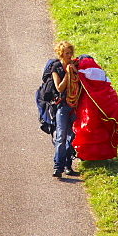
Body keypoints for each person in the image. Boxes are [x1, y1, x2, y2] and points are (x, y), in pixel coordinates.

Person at [49, 40, 81, 178]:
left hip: (74, 106)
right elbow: (59, 87)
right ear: (60, 54)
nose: (69, 55)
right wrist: (68, 74)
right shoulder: (56, 67)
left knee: (72, 136)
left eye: (70, 53)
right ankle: (58, 167)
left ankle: (68, 165)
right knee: (61, 136)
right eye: (66, 53)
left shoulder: (75, 65)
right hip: (62, 106)